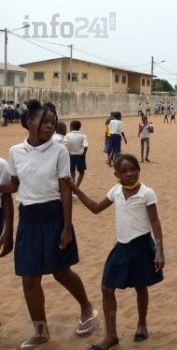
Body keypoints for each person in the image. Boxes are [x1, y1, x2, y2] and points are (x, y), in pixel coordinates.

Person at [0, 100, 98, 349]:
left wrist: (66, 227)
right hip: (29, 219)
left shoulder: (59, 151)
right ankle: (41, 331)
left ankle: (87, 307)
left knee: (61, 272)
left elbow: (65, 191)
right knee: (29, 278)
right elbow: (14, 186)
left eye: (53, 122)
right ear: (29, 122)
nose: (50, 125)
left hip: (54, 215)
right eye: (44, 121)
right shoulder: (15, 152)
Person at [67, 153, 164, 350]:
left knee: (140, 286)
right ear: (116, 174)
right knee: (106, 288)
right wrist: (75, 189)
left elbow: (154, 221)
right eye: (124, 171)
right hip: (122, 247)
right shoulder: (116, 191)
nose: (129, 174)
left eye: (133, 169)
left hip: (142, 246)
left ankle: (142, 324)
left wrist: (159, 249)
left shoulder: (147, 193)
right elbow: (95, 208)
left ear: (139, 170)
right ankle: (111, 336)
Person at [64, 120, 89, 188]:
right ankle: (77, 186)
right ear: (79, 127)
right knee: (81, 172)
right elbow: (86, 146)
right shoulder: (83, 136)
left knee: (72, 171)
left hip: (70, 155)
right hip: (80, 156)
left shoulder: (67, 135)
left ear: (71, 127)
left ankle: (73, 184)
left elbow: (66, 146)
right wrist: (84, 154)